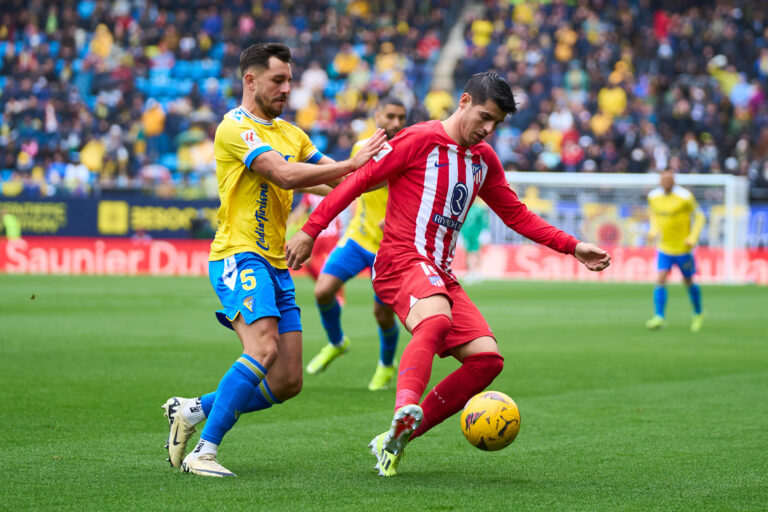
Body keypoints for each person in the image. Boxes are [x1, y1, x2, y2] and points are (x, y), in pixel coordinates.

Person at [285, 72, 611, 477]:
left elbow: (516, 215)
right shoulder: (417, 139)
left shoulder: (484, 160)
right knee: (436, 317)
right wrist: (309, 231)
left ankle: (396, 437)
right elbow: (358, 182)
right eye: (485, 116)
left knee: (487, 361)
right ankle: (406, 401)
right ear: (463, 101)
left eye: (497, 123)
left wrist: (573, 246)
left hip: (438, 271)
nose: (488, 129)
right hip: (401, 261)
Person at [161, 42, 386, 478]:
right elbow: (284, 174)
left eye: (289, 80)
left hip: (276, 263)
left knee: (286, 382)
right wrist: (351, 165)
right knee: (262, 347)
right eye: (278, 80)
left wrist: (376, 181)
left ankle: (191, 410)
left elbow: (332, 185)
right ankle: (203, 452)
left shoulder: (292, 134)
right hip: (238, 255)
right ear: (251, 80)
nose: (287, 88)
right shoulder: (235, 128)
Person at [305, 97, 408, 391]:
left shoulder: (412, 153)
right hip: (358, 237)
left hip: (390, 247)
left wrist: (399, 220)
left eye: (402, 117)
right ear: (377, 115)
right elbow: (348, 185)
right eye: (391, 115)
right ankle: (337, 342)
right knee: (323, 290)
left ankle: (386, 366)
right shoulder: (360, 148)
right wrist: (299, 182)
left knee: (382, 314)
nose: (396, 123)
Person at [645, 170, 706, 332]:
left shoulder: (685, 197)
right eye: (663, 179)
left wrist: (693, 236)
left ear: (674, 180)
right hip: (664, 247)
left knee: (688, 281)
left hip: (683, 248)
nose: (666, 182)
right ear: (660, 180)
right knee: (660, 279)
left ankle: (698, 313)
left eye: (669, 179)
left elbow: (700, 217)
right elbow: (654, 215)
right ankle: (659, 316)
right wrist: (653, 230)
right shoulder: (653, 197)